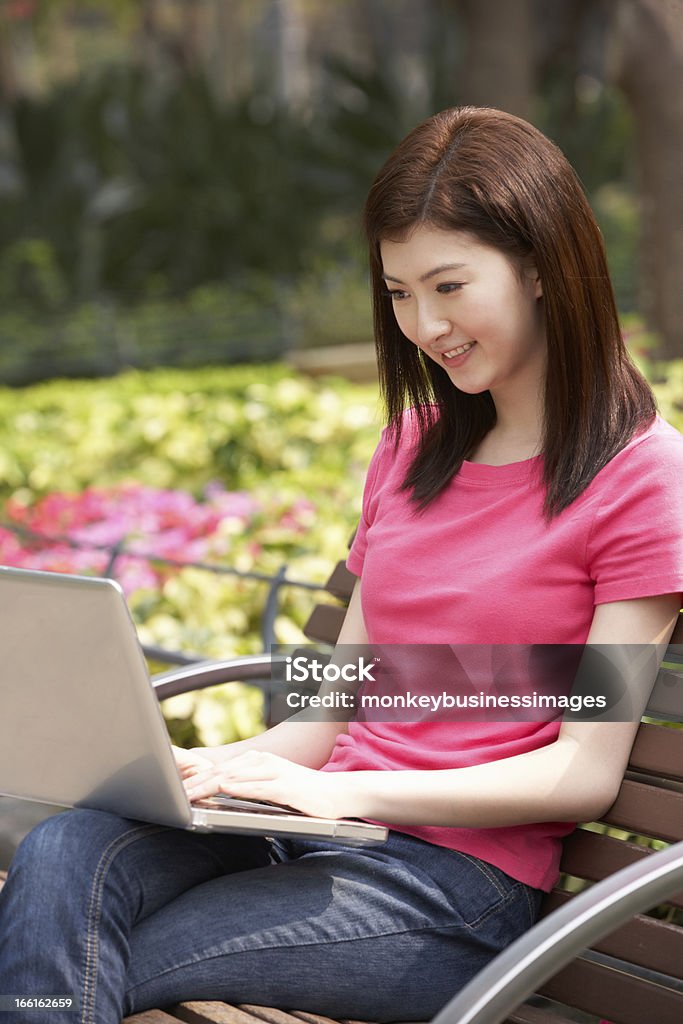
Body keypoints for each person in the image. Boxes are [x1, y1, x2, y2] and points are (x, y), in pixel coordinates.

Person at [1, 105, 683, 1024]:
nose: (424, 325)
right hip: (318, 837)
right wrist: (213, 770)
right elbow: (328, 716)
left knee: (102, 957)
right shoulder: (412, 446)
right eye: (399, 292)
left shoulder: (638, 478)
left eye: (447, 285)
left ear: (536, 263)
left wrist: (334, 792)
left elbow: (582, 771)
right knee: (60, 850)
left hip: (450, 890)